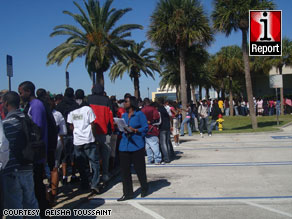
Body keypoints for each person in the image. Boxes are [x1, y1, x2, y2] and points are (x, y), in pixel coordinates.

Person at [1, 91, 40, 218]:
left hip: (12, 169)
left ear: (6, 103)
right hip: (28, 166)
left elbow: (3, 146)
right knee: (31, 202)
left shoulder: (6, 124)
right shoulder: (27, 119)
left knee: (14, 207)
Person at [18, 81, 50, 218]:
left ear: (28, 91)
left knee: (37, 186)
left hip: (36, 154)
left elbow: (36, 130)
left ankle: (43, 212)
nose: (20, 95)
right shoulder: (31, 105)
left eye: (21, 92)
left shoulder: (36, 106)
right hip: (35, 153)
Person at [67, 89, 100, 193]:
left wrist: (77, 131)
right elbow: (93, 124)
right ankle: (94, 184)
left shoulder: (71, 111)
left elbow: (71, 126)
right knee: (94, 162)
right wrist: (94, 137)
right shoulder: (88, 109)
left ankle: (84, 183)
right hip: (88, 139)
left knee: (81, 164)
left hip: (77, 140)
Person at [118, 96, 148, 201]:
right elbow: (120, 130)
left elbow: (145, 128)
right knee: (124, 171)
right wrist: (118, 127)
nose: (124, 103)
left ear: (132, 103)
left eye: (126, 101)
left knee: (140, 169)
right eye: (124, 102)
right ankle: (127, 193)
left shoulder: (139, 114)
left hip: (136, 146)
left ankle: (144, 188)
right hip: (124, 146)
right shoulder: (124, 115)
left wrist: (135, 130)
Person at [88, 84, 114, 183]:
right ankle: (105, 174)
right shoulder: (107, 100)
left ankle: (94, 175)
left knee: (93, 155)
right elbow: (110, 116)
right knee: (105, 154)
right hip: (104, 131)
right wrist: (111, 129)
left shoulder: (89, 100)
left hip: (92, 131)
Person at [55, 87, 79, 184]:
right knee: (74, 155)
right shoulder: (76, 106)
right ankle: (73, 175)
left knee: (64, 156)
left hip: (62, 134)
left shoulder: (59, 105)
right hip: (74, 133)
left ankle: (64, 176)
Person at [141, 98, 162, 165]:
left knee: (147, 146)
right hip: (152, 128)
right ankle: (157, 159)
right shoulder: (153, 109)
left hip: (144, 129)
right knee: (154, 145)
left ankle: (150, 159)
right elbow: (156, 118)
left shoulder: (142, 110)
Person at [157, 98, 171, 163]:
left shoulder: (159, 110)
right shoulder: (165, 109)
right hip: (167, 126)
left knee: (163, 143)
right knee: (167, 142)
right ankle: (168, 156)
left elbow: (159, 120)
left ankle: (166, 158)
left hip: (162, 127)